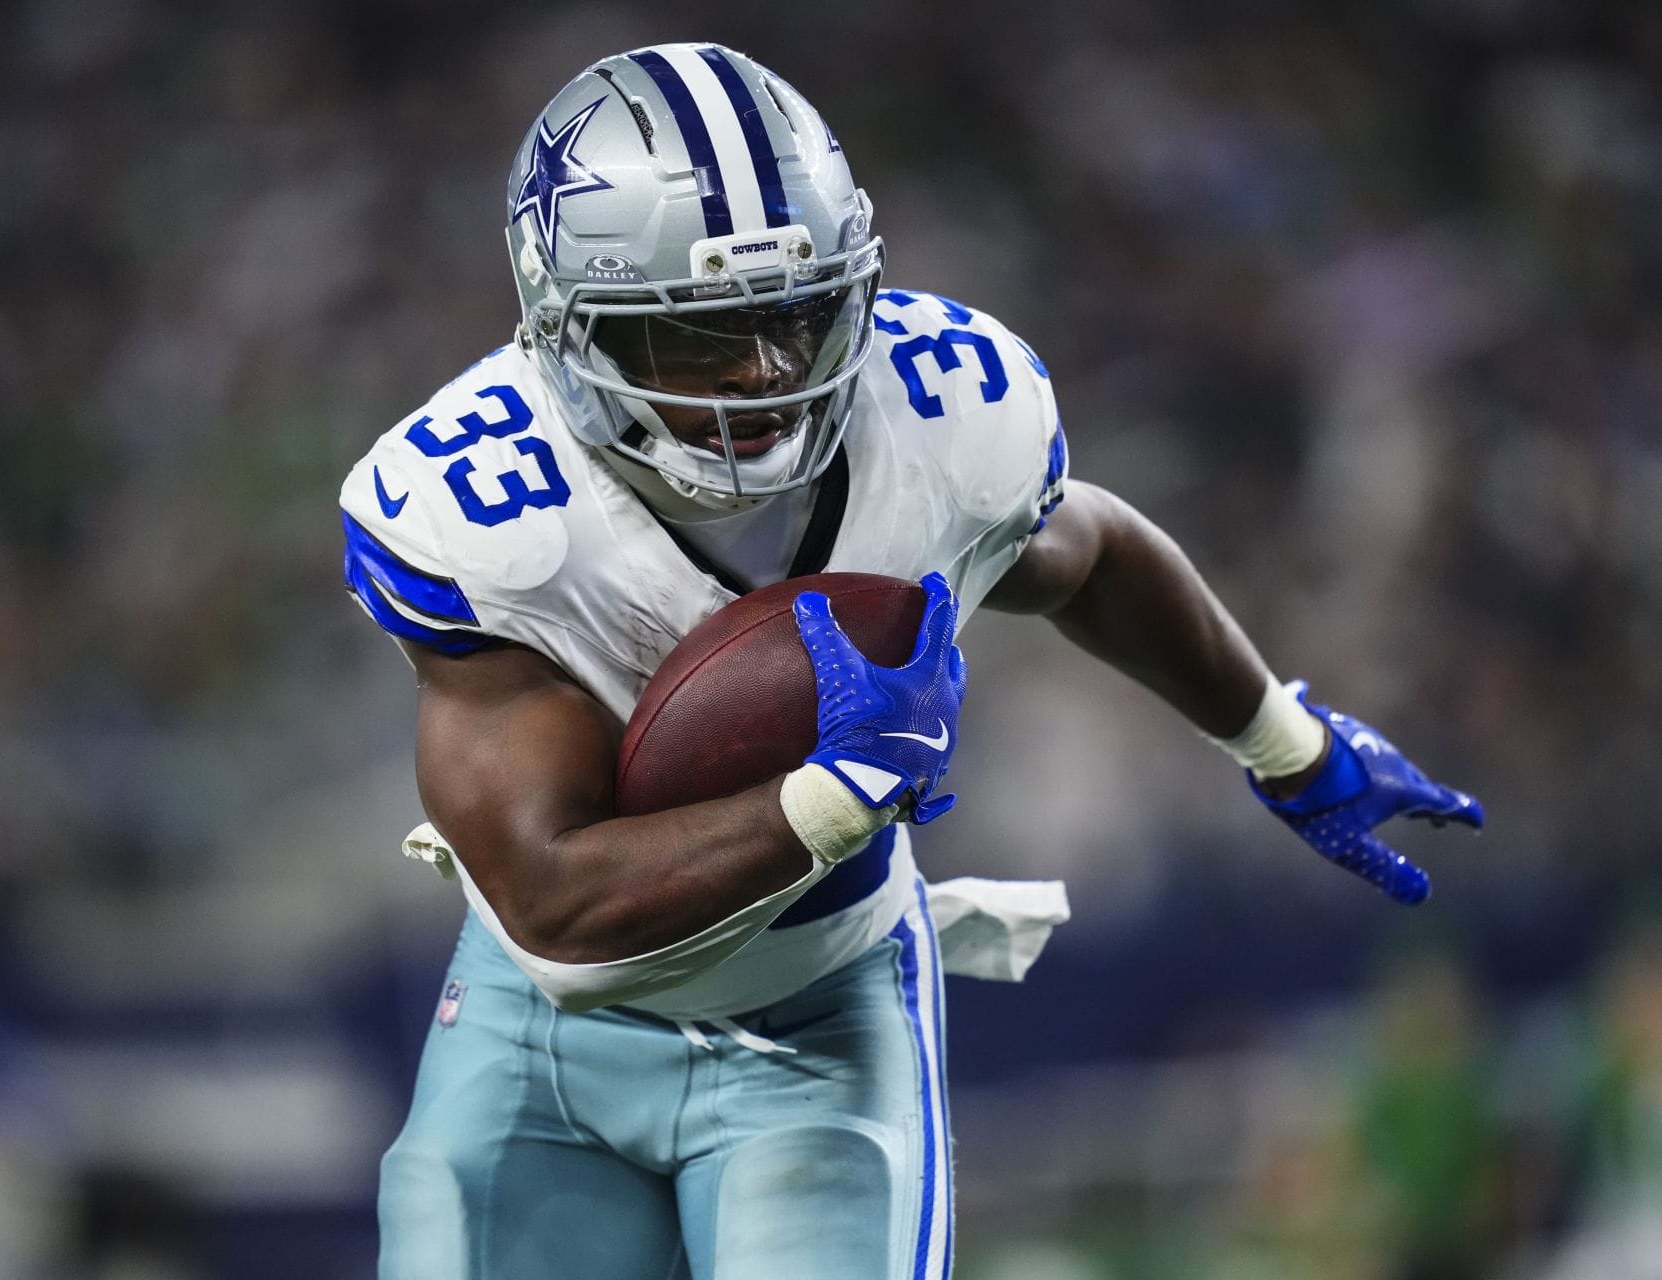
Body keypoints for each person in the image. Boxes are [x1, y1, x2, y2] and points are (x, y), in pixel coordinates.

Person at [339, 42, 1484, 1279]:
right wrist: (835, 796)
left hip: (821, 1008)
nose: (762, 372)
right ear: (565, 327)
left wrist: (1287, 741)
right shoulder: (489, 510)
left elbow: (1090, 552)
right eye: (697, 334)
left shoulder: (938, 415)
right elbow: (557, 907)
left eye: (793, 313)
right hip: (542, 1041)